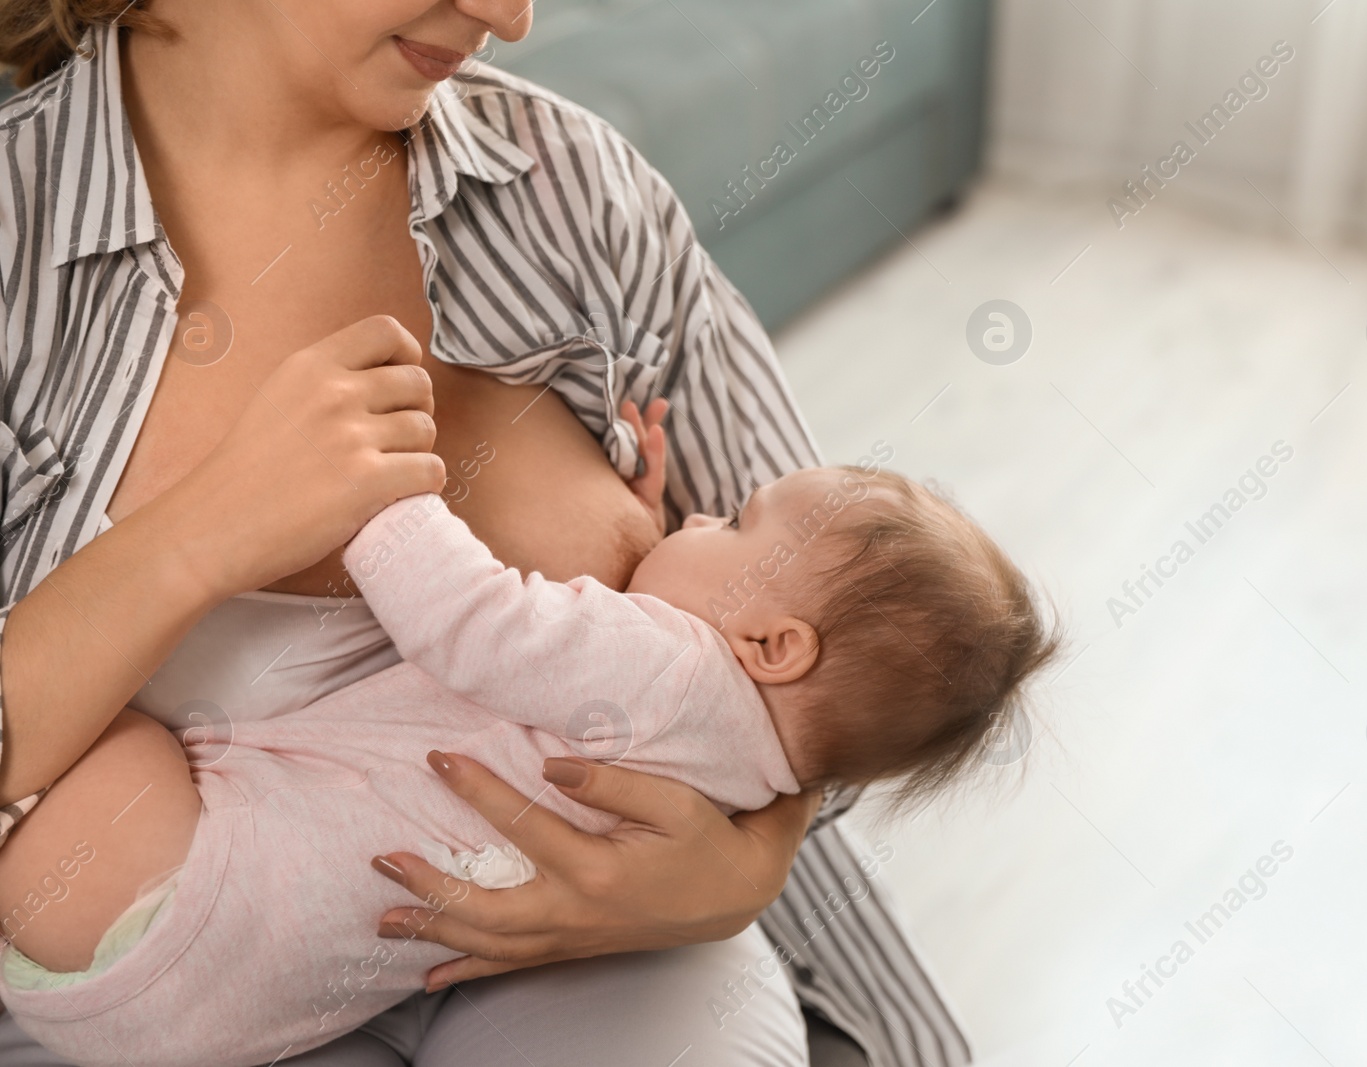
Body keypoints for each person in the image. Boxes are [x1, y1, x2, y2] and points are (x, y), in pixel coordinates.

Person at [0, 2, 973, 1065]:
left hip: (604, 970)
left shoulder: (574, 190)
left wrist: (745, 878)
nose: (509, 17)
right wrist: (196, 537)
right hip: (174, 988)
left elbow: (833, 659)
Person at [0, 419, 1057, 1067]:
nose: (692, 522)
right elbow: (589, 664)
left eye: (731, 522)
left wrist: (381, 493)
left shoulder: (670, 665)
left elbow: (477, 622)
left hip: (163, 903)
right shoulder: (736, 772)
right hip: (221, 1004)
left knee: (103, 721)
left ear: (771, 643)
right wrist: (648, 536)